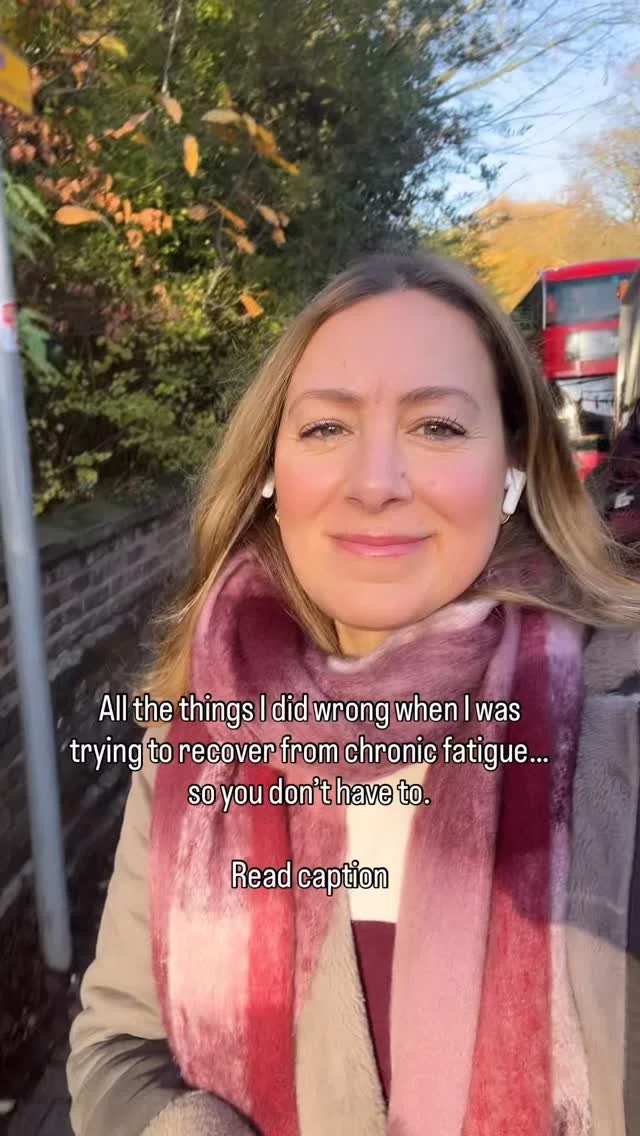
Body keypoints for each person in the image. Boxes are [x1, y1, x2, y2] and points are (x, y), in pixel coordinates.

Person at [66, 251, 640, 1136]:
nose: (376, 484)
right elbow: (117, 1049)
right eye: (327, 427)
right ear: (269, 472)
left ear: (514, 468)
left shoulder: (618, 724)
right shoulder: (193, 739)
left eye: (437, 427)